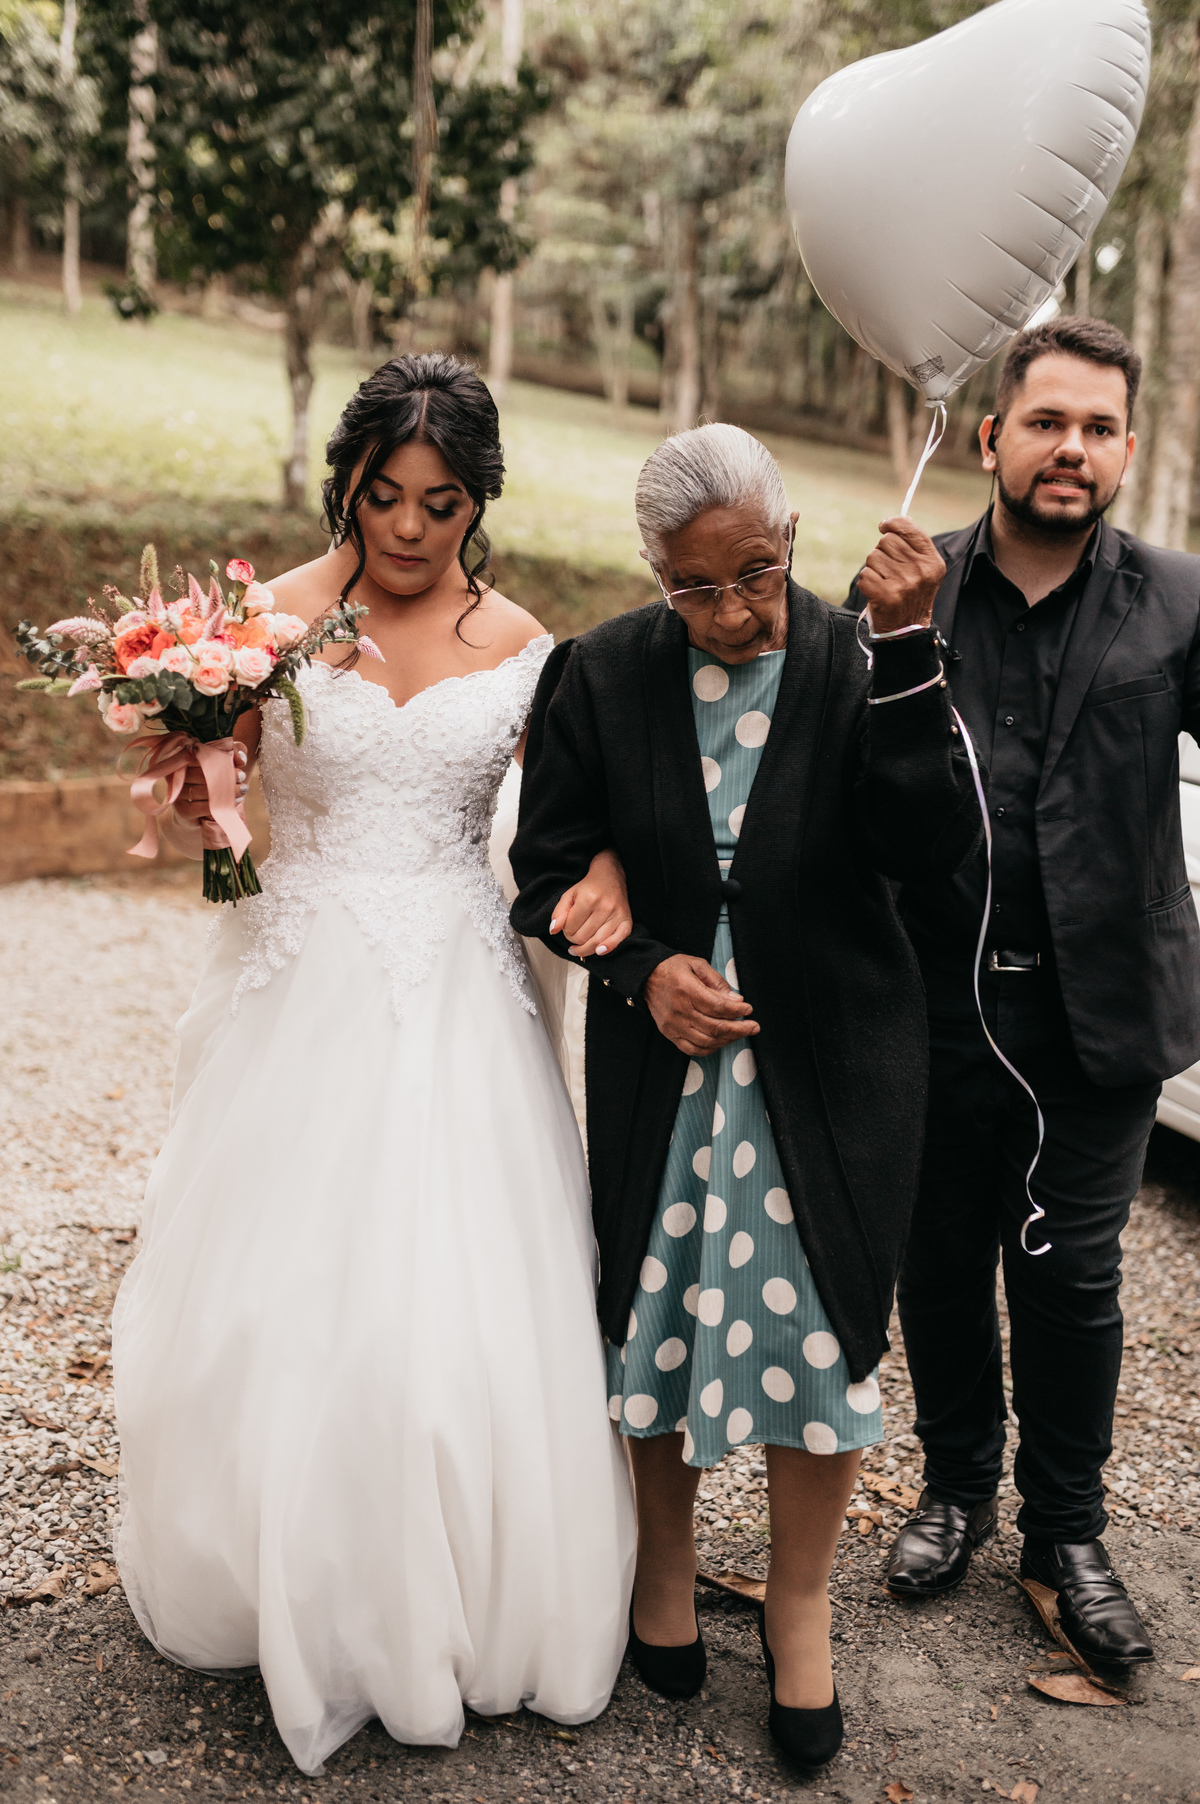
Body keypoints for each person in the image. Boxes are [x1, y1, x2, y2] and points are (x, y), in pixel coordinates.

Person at [111, 352, 637, 1776]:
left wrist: (603, 870)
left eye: (441, 504)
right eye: (384, 494)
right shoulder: (259, 625)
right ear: (349, 482)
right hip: (299, 977)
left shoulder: (523, 645)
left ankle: (461, 1586)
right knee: (279, 1276)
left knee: (463, 1281)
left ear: (479, 504)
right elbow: (215, 800)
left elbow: (571, 813)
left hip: (460, 982)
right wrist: (199, 778)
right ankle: (276, 1563)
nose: (407, 527)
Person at [509, 423, 981, 1767]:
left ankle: (799, 1601)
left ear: (792, 542)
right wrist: (642, 970)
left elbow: (933, 850)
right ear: (653, 571)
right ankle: (664, 1571)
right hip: (666, 1067)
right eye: (695, 587)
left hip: (833, 1063)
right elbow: (546, 869)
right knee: (654, 1311)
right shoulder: (603, 673)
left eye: (755, 574)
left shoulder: (864, 658)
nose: (730, 611)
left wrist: (909, 652)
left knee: (820, 1327)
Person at [873, 317, 1200, 1666]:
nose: (1073, 448)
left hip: (1102, 1014)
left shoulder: (1179, 601)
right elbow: (868, 809)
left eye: (1099, 428)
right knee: (941, 1262)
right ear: (993, 434)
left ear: (1126, 450)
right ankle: (956, 1490)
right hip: (934, 1004)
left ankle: (1066, 1534)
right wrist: (896, 644)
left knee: (1072, 1278)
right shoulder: (903, 586)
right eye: (1049, 421)